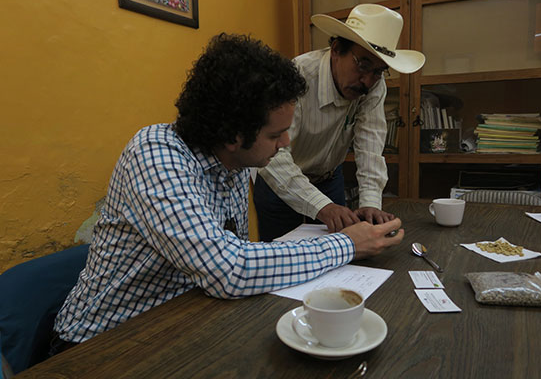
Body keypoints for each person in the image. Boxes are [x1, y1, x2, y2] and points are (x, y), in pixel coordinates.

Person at [52, 33, 404, 348]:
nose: (286, 143)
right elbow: (229, 270)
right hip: (98, 344)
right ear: (234, 134)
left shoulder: (233, 162)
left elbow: (231, 255)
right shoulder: (155, 155)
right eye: (274, 135)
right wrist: (347, 244)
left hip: (178, 322)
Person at [254, 4, 425, 241]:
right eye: (362, 64)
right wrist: (322, 206)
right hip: (279, 180)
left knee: (339, 255)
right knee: (280, 260)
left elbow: (370, 148)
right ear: (336, 49)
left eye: (379, 71)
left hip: (329, 178)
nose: (367, 81)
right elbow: (274, 156)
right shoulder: (298, 75)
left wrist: (370, 204)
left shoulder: (373, 86)